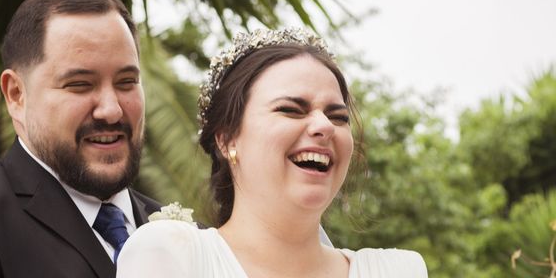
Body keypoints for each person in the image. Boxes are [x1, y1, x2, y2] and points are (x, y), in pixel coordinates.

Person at [117, 28, 428, 277]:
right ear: (227, 139)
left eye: (338, 117)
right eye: (291, 110)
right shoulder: (171, 255)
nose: (324, 126)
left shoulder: (399, 270)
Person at [0, 0, 160, 277]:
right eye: (80, 85)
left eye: (126, 82)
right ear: (16, 95)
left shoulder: (190, 234)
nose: (111, 110)